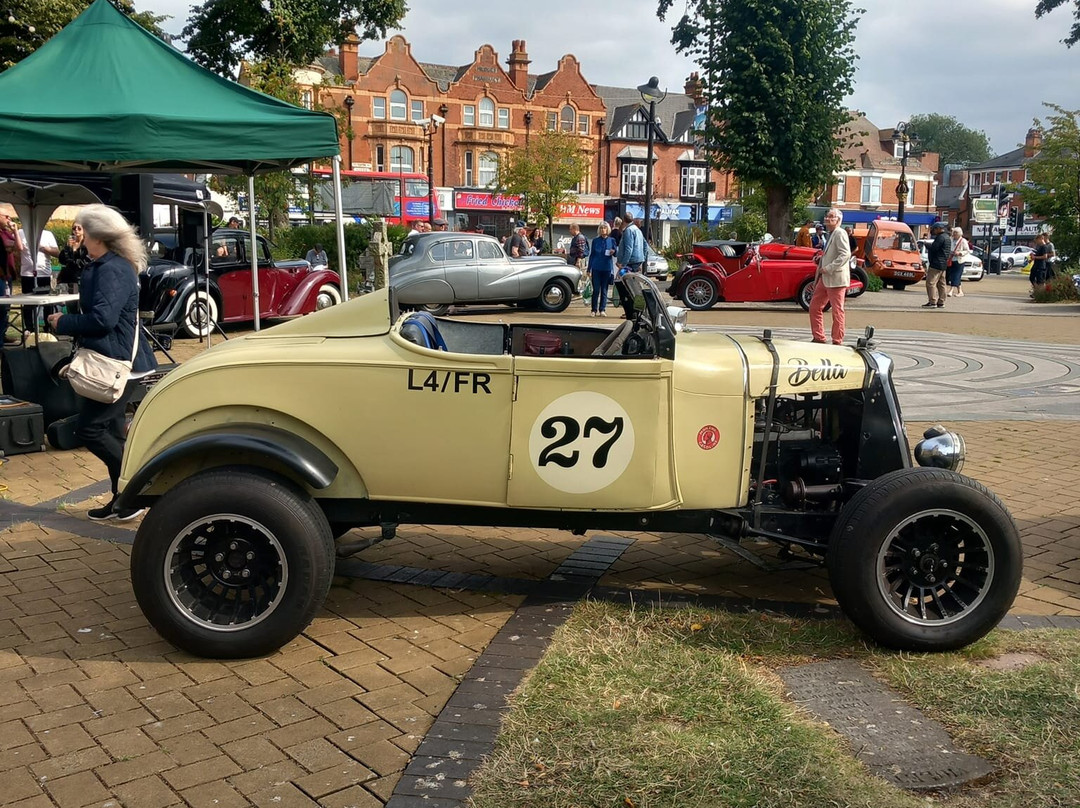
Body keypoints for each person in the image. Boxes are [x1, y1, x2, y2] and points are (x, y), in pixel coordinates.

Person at [46, 205, 157, 522]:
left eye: (81, 228)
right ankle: (124, 499)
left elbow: (103, 319)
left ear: (97, 234)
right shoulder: (104, 264)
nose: (77, 233)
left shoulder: (113, 268)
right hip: (114, 359)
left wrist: (64, 322)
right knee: (111, 430)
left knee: (90, 429)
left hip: (119, 363)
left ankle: (134, 492)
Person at [809, 207, 852, 345]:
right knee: (815, 306)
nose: (827, 218)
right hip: (826, 277)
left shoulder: (840, 233)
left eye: (831, 217)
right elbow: (834, 254)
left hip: (836, 278)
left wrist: (829, 268)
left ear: (838, 220)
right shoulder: (831, 233)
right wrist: (821, 260)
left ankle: (837, 340)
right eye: (827, 216)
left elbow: (845, 254)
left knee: (837, 310)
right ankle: (819, 337)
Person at [614, 216, 645, 320]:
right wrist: (642, 259)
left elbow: (628, 249)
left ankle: (631, 312)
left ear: (623, 221)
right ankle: (639, 310)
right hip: (637, 262)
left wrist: (623, 264)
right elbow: (645, 246)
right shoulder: (638, 230)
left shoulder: (629, 231)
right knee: (637, 288)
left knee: (627, 288)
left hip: (630, 263)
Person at [587, 222, 617, 317]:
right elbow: (592, 255)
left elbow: (616, 253)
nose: (603, 230)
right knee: (596, 290)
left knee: (604, 290)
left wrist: (613, 251)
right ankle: (593, 309)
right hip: (596, 267)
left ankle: (602, 309)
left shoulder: (612, 240)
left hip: (607, 268)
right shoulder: (595, 241)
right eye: (601, 228)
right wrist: (589, 269)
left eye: (604, 228)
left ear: (608, 229)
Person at [0, 214, 21, 345]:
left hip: (8, 275)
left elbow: (19, 247)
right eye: (5, 216)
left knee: (6, 307)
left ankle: (3, 334)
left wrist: (15, 232)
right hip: (1, 275)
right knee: (1, 307)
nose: (9, 218)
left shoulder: (7, 233)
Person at [923, 221, 951, 308]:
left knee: (930, 283)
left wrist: (927, 245)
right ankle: (941, 301)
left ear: (939, 229)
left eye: (934, 229)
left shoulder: (940, 237)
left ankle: (932, 302)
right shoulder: (947, 237)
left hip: (936, 263)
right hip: (943, 264)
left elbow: (934, 248)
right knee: (942, 283)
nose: (933, 231)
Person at [58, 222, 90, 294]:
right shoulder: (70, 243)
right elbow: (62, 260)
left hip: (81, 277)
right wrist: (67, 248)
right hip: (69, 278)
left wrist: (75, 252)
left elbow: (86, 261)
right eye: (74, 228)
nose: (76, 230)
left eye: (79, 228)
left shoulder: (87, 244)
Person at [946, 226, 970, 297]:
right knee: (954, 275)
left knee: (956, 275)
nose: (954, 234)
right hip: (951, 259)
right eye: (954, 232)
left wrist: (960, 253)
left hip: (960, 260)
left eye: (956, 232)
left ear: (960, 233)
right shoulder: (951, 239)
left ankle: (951, 290)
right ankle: (960, 291)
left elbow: (967, 250)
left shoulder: (963, 241)